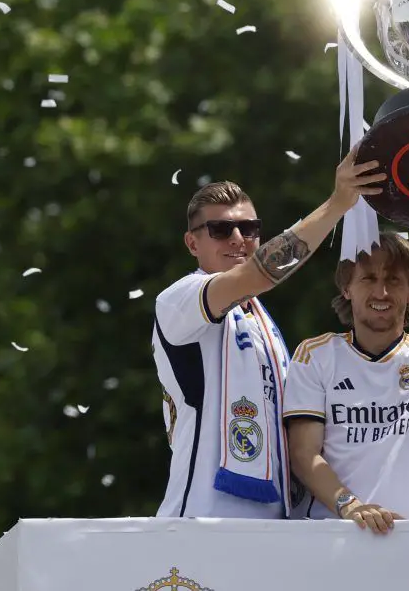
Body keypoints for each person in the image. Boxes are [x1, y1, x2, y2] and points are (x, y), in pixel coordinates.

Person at [151, 147, 386, 518]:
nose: (237, 238)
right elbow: (261, 273)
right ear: (192, 243)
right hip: (202, 517)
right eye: (220, 229)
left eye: (248, 228)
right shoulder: (179, 299)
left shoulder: (261, 321)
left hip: (275, 524)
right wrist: (339, 203)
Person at [283, 209, 409, 534]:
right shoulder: (316, 355)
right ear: (347, 287)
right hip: (331, 536)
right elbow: (303, 454)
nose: (381, 292)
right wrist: (352, 507)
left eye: (394, 280)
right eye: (368, 278)